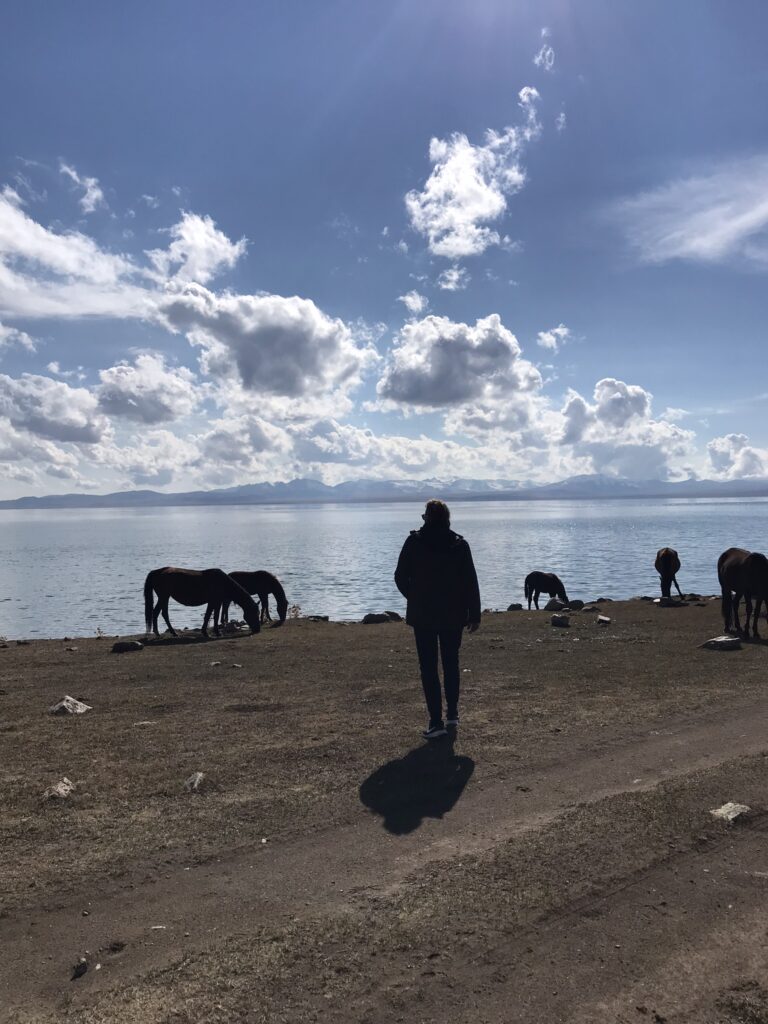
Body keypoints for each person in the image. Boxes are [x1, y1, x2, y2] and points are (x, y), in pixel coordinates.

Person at [394, 500, 481, 740]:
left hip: (423, 615)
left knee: (429, 668)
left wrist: (414, 597)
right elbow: (470, 581)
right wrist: (474, 613)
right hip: (453, 614)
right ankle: (452, 712)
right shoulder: (459, 545)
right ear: (447, 518)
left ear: (426, 518)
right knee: (451, 662)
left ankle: (435, 721)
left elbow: (400, 576)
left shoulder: (415, 543)